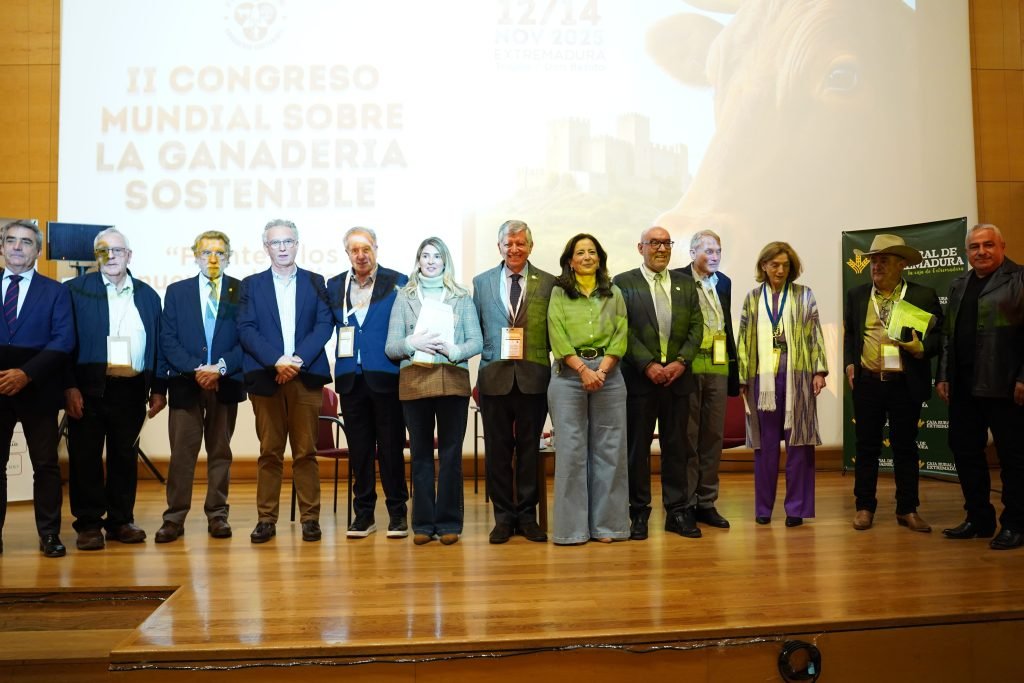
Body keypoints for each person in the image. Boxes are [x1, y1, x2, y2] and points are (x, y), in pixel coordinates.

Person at [65, 228, 167, 550]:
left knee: (124, 458)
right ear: (96, 257)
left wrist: (159, 388)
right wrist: (69, 386)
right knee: (85, 458)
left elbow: (159, 345)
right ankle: (89, 524)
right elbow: (64, 345)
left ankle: (121, 521)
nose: (111, 257)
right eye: (103, 251)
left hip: (133, 388)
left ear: (129, 256)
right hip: (88, 387)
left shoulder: (149, 295)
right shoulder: (74, 291)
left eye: (118, 251)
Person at [238, 219, 333, 544]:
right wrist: (276, 360)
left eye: (288, 241)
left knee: (305, 451)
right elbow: (246, 328)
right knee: (270, 452)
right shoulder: (250, 284)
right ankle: (266, 519)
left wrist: (296, 360)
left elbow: (324, 324)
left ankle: (310, 519)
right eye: (275, 243)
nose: (282, 248)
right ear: (266, 247)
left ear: (297, 244)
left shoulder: (315, 281)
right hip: (266, 378)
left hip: (305, 377)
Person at [385, 237, 481, 546]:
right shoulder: (404, 297)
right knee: (422, 455)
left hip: (452, 381)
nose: (430, 261)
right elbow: (391, 347)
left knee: (451, 456)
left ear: (445, 261)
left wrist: (455, 350)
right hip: (415, 382)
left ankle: (450, 522)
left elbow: (476, 342)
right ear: (418, 261)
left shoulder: (461, 297)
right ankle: (424, 524)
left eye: (436, 256)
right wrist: (412, 344)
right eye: (425, 255)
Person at [844, 234, 941, 533]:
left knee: (905, 448)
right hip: (869, 382)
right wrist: (849, 362)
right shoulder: (858, 294)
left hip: (904, 383)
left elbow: (940, 336)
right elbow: (851, 334)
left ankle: (907, 509)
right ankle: (864, 507)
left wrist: (920, 349)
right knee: (867, 447)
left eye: (884, 260)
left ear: (901, 264)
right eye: (874, 260)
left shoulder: (923, 296)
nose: (877, 265)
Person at [937, 223, 1024, 550]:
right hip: (963, 386)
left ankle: (1016, 523)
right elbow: (948, 336)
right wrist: (943, 375)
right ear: (967, 252)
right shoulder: (959, 285)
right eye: (974, 247)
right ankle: (979, 517)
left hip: (1006, 387)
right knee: (965, 451)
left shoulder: (1019, 279)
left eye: (988, 245)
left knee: (1013, 458)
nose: (982, 251)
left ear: (1002, 246)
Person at [155, 230, 245, 543]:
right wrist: (197, 370)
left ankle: (218, 516)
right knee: (182, 454)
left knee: (220, 452)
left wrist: (219, 368)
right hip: (186, 384)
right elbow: (167, 338)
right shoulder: (177, 291)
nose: (212, 258)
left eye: (220, 253)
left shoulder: (240, 291)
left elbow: (245, 339)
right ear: (194, 256)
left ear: (229, 257)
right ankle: (174, 519)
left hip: (226, 383)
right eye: (206, 252)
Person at [614, 226, 703, 540]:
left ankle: (677, 512)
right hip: (640, 381)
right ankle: (638, 513)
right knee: (637, 450)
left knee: (677, 448)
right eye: (655, 243)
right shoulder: (624, 283)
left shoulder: (684, 283)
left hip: (678, 381)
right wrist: (647, 364)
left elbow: (696, 326)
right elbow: (622, 329)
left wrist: (681, 362)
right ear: (641, 248)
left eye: (666, 243)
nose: (661, 249)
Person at [473, 220, 555, 544]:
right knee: (497, 451)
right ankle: (503, 518)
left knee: (529, 451)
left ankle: (527, 516)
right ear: (499, 247)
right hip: (494, 378)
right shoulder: (481, 283)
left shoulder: (548, 283)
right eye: (508, 244)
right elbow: (477, 326)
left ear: (530, 247)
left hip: (534, 377)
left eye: (520, 243)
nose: (514, 249)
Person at [736, 241, 827, 527]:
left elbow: (815, 335)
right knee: (765, 450)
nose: (780, 270)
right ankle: (763, 508)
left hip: (797, 378)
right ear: (764, 266)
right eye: (774, 264)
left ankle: (796, 509)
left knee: (799, 446)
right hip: (761, 382)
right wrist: (741, 377)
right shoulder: (752, 298)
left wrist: (819, 371)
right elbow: (743, 340)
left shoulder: (804, 295)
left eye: (786, 265)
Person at [327, 227, 410, 539]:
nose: (361, 255)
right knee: (359, 451)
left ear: (376, 248)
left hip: (386, 376)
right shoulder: (334, 285)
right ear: (347, 253)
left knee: (390, 448)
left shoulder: (398, 282)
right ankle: (363, 514)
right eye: (354, 250)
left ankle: (397, 513)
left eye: (366, 248)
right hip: (351, 379)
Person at [547, 233, 629, 545]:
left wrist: (602, 370)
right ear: (570, 260)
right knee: (571, 452)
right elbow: (556, 333)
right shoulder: (559, 293)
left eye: (592, 252)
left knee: (610, 451)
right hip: (569, 376)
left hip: (609, 375)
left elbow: (621, 332)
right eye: (580, 252)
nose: (586, 257)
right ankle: (572, 530)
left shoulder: (614, 292)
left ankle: (608, 527)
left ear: (600, 258)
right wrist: (583, 370)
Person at [0, 220, 74, 557]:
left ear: (38, 251)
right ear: (2, 247)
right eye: (10, 240)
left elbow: (63, 341)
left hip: (38, 389)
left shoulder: (56, 291)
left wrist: (26, 374)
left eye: (26, 242)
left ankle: (49, 535)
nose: (17, 247)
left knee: (45, 466)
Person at [675, 230, 739, 530]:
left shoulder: (723, 282)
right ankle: (685, 503)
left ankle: (707, 502)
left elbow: (726, 324)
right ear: (692, 253)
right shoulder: (677, 280)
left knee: (713, 438)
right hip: (688, 366)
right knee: (688, 438)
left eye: (718, 251)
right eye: (708, 251)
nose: (714, 256)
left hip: (718, 365)